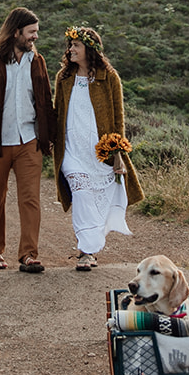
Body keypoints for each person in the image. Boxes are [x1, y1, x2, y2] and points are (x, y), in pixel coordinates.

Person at [0, 7, 55, 272]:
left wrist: (49, 136)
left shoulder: (37, 61)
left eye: (35, 33)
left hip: (29, 140)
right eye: (31, 33)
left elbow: (45, 99)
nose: (34, 38)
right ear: (16, 32)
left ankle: (29, 254)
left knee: (30, 199)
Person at [52, 25, 141, 271]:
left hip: (98, 151)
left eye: (76, 45)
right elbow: (58, 112)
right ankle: (86, 251)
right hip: (71, 150)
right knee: (81, 193)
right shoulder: (64, 78)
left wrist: (118, 155)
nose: (71, 50)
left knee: (96, 197)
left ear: (89, 49)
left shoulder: (109, 77)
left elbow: (118, 119)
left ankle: (89, 247)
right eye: (70, 45)